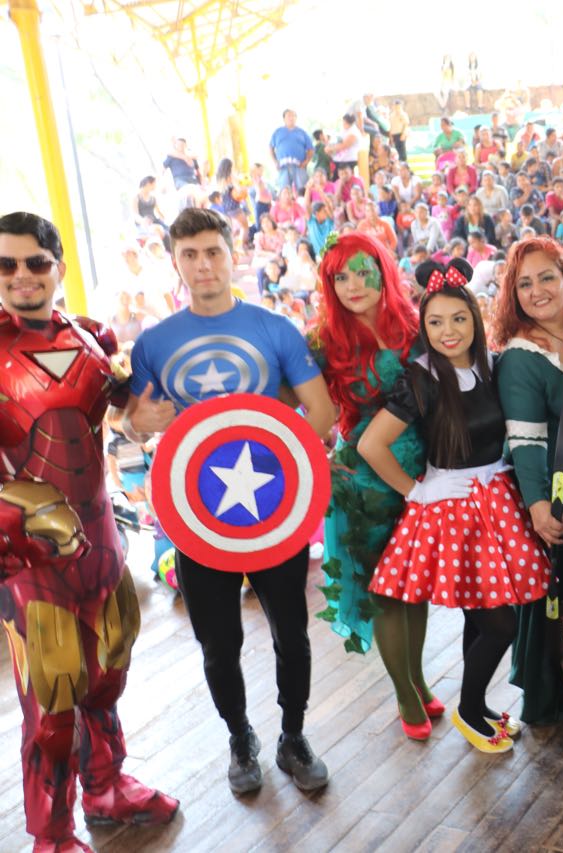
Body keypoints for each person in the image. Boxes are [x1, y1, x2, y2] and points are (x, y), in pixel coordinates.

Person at [123, 208, 336, 794]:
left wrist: (289, 467)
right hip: (196, 518)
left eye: (213, 251)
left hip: (274, 512)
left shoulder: (274, 329)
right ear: (175, 262)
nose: (203, 265)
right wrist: (138, 422)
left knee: (292, 632)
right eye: (190, 255)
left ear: (231, 254)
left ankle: (293, 736)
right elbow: (134, 422)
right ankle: (240, 737)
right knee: (218, 642)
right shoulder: (154, 343)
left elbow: (321, 412)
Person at [0, 212, 179, 850]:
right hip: (32, 556)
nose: (22, 276)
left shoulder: (90, 338)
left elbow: (127, 415)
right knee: (51, 702)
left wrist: (146, 416)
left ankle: (107, 785)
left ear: (58, 267)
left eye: (35, 262)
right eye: (6, 265)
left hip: (101, 539)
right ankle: (51, 832)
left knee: (106, 676)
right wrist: (18, 511)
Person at [358, 258, 549, 753]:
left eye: (459, 319)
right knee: (501, 623)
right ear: (424, 327)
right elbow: (371, 445)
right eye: (436, 322)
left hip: (495, 499)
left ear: (475, 319)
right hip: (452, 510)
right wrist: (418, 491)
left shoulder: (493, 365)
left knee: (481, 616)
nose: (448, 331)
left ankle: (477, 705)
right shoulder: (421, 378)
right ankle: (468, 709)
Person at [308, 233, 447, 740]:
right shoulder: (322, 340)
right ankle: (405, 694)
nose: (353, 285)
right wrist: (317, 454)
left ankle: (419, 680)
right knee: (389, 593)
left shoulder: (415, 325)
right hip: (364, 483)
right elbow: (296, 402)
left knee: (417, 588)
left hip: (424, 474)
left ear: (383, 271)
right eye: (341, 277)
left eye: (363, 272)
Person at [492, 237, 563, 724]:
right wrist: (539, 506)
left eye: (546, 277)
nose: (536, 291)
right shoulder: (521, 356)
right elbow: (526, 442)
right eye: (524, 284)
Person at [269, 109, 313, 193]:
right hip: (283, 166)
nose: (291, 118)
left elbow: (310, 149)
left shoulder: (302, 132)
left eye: (293, 116)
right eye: (289, 116)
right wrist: (275, 162)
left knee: (302, 191)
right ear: (284, 119)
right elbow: (270, 148)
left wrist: (306, 162)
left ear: (296, 118)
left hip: (299, 166)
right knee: (284, 191)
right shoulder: (278, 132)